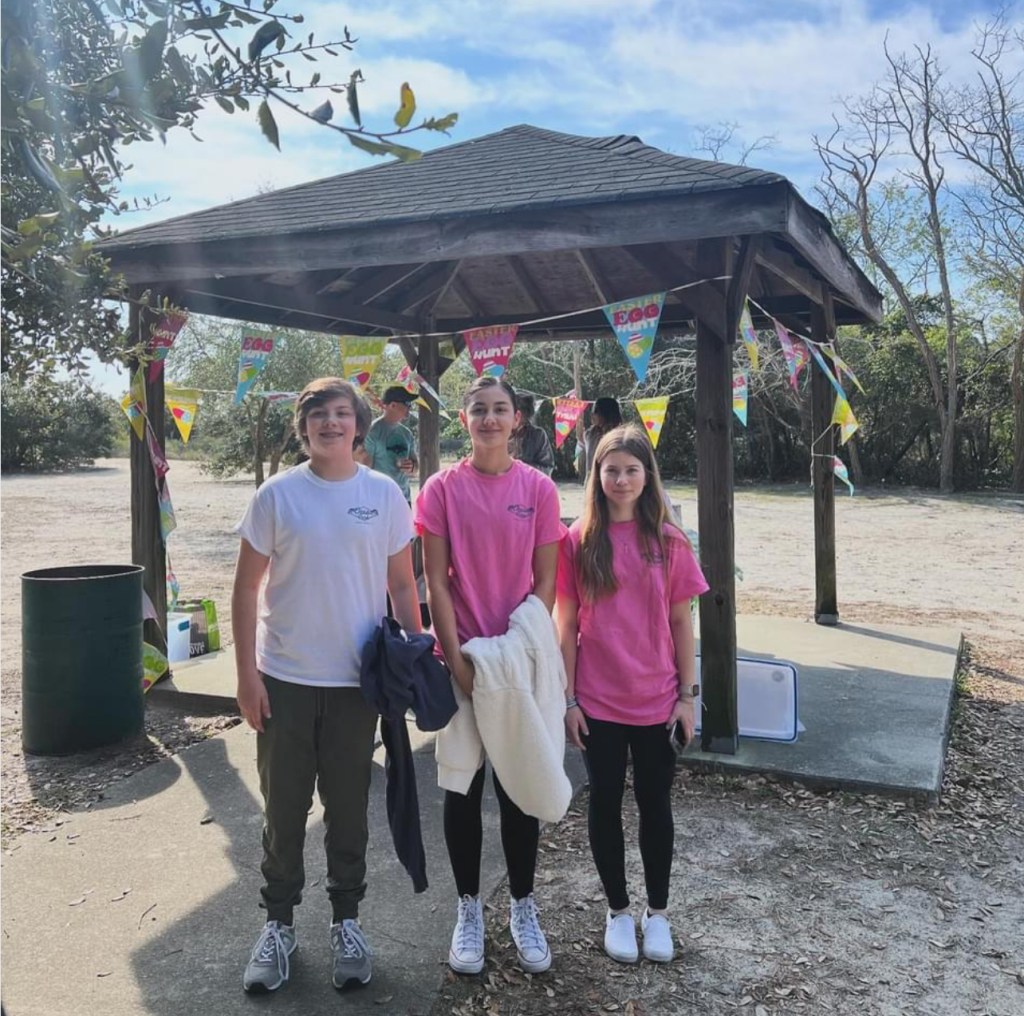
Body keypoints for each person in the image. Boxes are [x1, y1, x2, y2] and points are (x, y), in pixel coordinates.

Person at [232, 377, 422, 995]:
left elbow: (401, 585)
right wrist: (246, 676)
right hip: (283, 680)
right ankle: (278, 926)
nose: (330, 423)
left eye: (342, 413)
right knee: (283, 810)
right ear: (303, 426)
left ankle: (347, 921)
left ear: (359, 426)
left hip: (356, 684)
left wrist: (416, 656)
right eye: (318, 413)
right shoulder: (276, 495)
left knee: (348, 810)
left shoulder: (383, 494)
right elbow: (245, 589)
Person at [415, 376, 564, 976]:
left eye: (500, 409)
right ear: (464, 418)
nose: (490, 419)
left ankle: (523, 905)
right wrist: (457, 659)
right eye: (479, 410)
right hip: (461, 658)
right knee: (462, 787)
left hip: (518, 661)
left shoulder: (539, 489)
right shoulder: (441, 489)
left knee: (519, 785)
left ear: (516, 419)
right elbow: (435, 580)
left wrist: (516, 651)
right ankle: (469, 908)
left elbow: (546, 583)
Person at [555, 424, 708, 965]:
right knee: (603, 802)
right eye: (611, 469)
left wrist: (687, 697)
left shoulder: (669, 541)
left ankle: (657, 913)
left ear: (647, 476)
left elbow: (682, 622)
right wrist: (568, 700)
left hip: (657, 701)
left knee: (655, 803)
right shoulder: (578, 540)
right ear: (596, 475)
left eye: (631, 470)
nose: (620, 480)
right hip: (597, 702)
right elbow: (565, 624)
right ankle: (618, 910)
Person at [359, 385, 419, 503]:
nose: (410, 407)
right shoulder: (372, 432)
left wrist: (411, 467)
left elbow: (415, 466)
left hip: (403, 498)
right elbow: (365, 469)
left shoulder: (406, 433)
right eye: (407, 403)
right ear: (393, 405)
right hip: (379, 499)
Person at [578, 397, 622, 485]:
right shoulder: (590, 434)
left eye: (595, 411)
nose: (592, 414)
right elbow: (582, 441)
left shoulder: (620, 436)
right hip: (592, 483)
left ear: (606, 413)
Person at [510, 392, 554, 476]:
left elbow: (547, 467)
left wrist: (520, 468)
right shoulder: (500, 432)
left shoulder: (538, 435)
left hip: (530, 482)